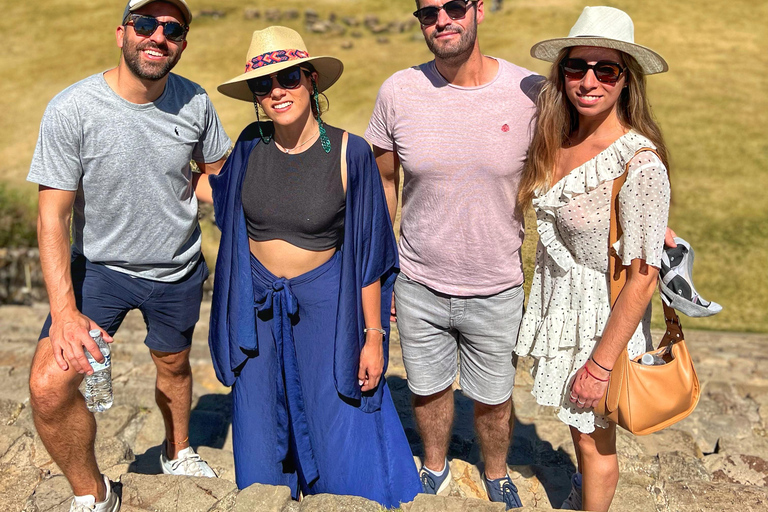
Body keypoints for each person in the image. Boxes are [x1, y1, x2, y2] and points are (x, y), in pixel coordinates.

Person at [26, 1, 231, 510]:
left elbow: (218, 177)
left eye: (172, 29)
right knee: (50, 386)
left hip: (178, 269)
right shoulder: (72, 107)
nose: (157, 36)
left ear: (182, 43)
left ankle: (177, 449)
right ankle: (94, 493)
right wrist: (63, 311)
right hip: (100, 270)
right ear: (121, 34)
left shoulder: (196, 102)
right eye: (145, 24)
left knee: (174, 364)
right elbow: (53, 216)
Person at [208, 26, 422, 508]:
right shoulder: (248, 144)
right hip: (257, 303)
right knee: (261, 415)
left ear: (311, 80)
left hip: (327, 303)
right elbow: (223, 203)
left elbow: (367, 252)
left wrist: (373, 336)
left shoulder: (350, 152)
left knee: (337, 415)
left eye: (287, 78)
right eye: (263, 85)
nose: (276, 92)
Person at [366, 0, 542, 508]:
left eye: (453, 6)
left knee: (494, 397)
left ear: (479, 10)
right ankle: (436, 466)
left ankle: (495, 473)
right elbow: (383, 183)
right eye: (428, 13)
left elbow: (575, 160)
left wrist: (636, 199)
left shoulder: (530, 91)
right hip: (419, 280)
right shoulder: (399, 90)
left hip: (496, 281)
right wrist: (385, 270)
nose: (441, 19)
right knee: (427, 388)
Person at [514, 6, 671, 511]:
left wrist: (601, 366)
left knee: (592, 439)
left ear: (626, 80)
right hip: (564, 305)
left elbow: (644, 278)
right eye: (576, 67)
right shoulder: (558, 139)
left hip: (604, 317)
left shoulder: (639, 162)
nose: (589, 80)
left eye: (606, 70)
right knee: (577, 429)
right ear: (561, 74)